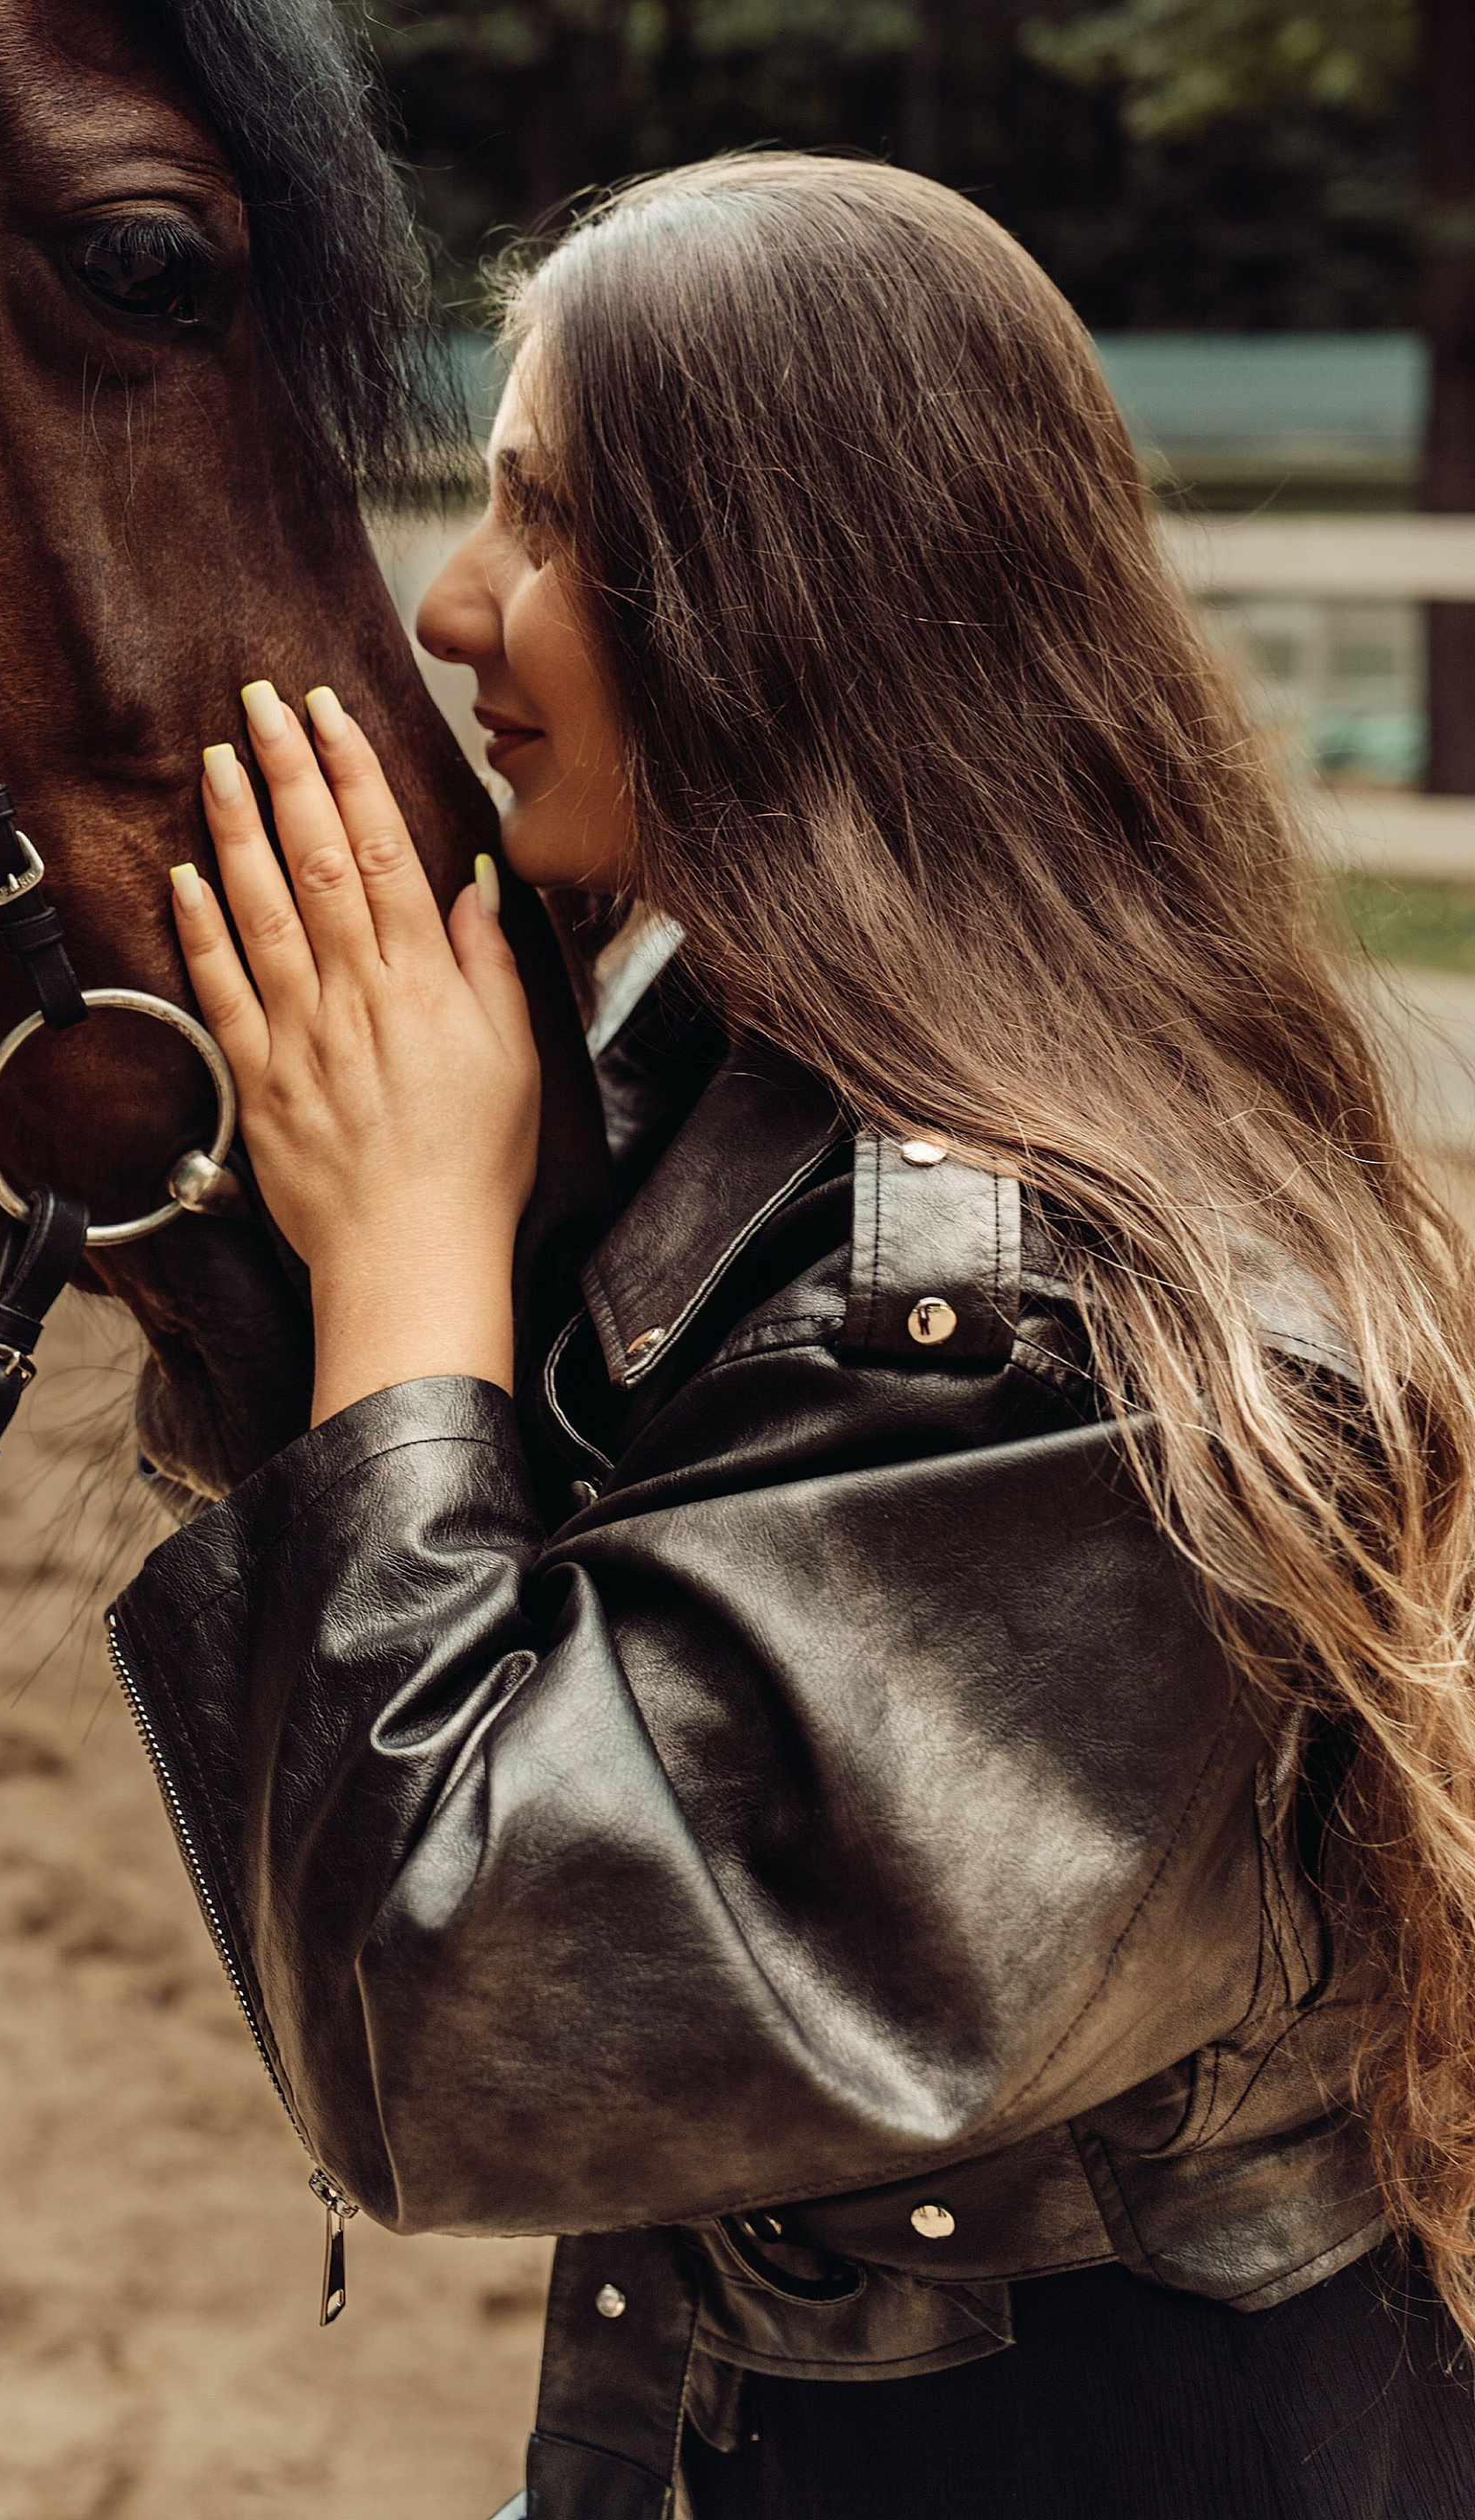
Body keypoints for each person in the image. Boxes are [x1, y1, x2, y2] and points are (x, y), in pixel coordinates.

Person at [104, 155, 1475, 2519]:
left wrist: (409, 1252)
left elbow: (459, 2024)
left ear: (779, 607)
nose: (453, 604)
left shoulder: (1047, 1327)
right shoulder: (760, 1108)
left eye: (538, 521)